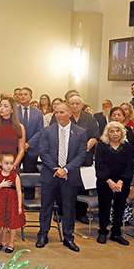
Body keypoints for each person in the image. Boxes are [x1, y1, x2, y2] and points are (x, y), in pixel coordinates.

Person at [37, 102, 87, 252]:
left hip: (69, 176)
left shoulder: (80, 132)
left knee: (69, 207)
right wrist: (57, 169)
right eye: (56, 113)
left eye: (62, 112)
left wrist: (65, 169)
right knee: (46, 206)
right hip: (50, 174)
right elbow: (43, 152)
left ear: (70, 113)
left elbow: (81, 155)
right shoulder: (47, 131)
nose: (58, 115)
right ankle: (43, 235)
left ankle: (68, 237)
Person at [95, 122, 133, 246]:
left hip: (122, 182)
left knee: (119, 208)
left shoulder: (127, 146)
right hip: (105, 182)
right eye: (112, 131)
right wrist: (109, 181)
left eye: (117, 131)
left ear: (122, 132)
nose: (115, 134)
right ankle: (102, 231)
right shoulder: (101, 145)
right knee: (104, 207)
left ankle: (116, 233)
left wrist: (121, 181)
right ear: (107, 133)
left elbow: (129, 166)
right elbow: (99, 165)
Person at [0, 152, 25, 253]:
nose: (9, 166)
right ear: (0, 163)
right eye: (6, 163)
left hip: (12, 203)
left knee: (12, 224)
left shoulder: (15, 176)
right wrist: (1, 185)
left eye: (11, 163)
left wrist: (19, 206)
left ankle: (11, 243)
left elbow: (19, 192)